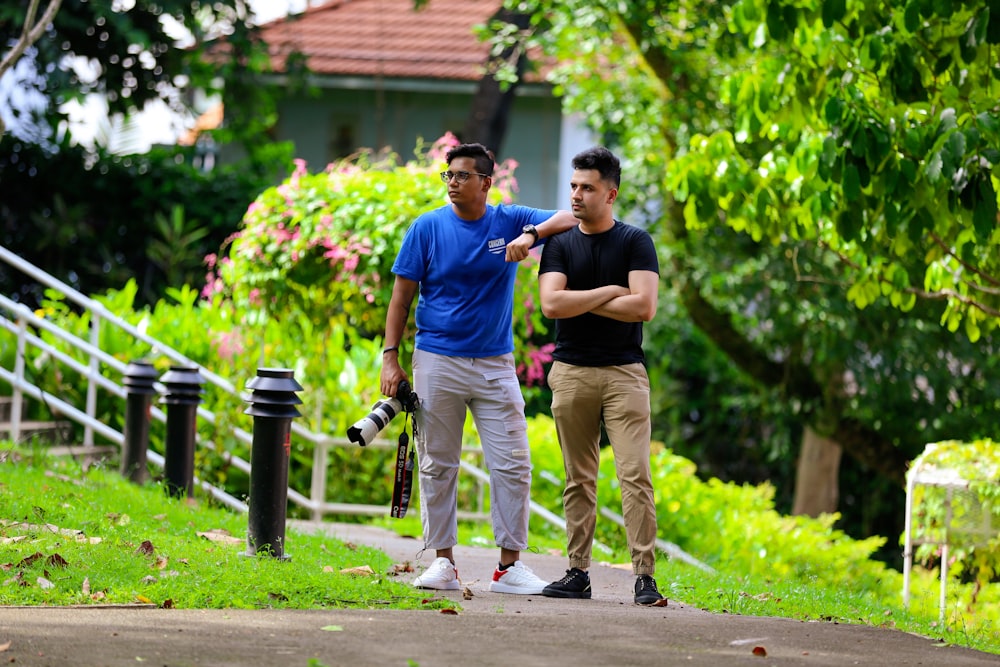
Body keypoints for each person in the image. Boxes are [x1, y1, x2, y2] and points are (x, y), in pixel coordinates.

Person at [380, 142, 579, 594]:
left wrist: (530, 236)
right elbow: (400, 298)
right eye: (448, 176)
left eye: (463, 176)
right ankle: (443, 562)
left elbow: (571, 217)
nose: (452, 183)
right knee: (438, 464)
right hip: (436, 359)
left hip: (494, 363)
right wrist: (390, 356)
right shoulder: (426, 228)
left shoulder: (507, 219)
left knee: (513, 463)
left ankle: (508, 568)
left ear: (486, 183)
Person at [536, 146, 664, 605]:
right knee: (578, 478)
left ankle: (644, 576)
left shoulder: (635, 242)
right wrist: (613, 291)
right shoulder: (560, 243)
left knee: (635, 475)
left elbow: (644, 306)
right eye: (573, 186)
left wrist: (583, 296)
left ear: (610, 193)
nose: (576, 195)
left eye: (587, 187)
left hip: (625, 373)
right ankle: (577, 572)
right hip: (570, 371)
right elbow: (551, 304)